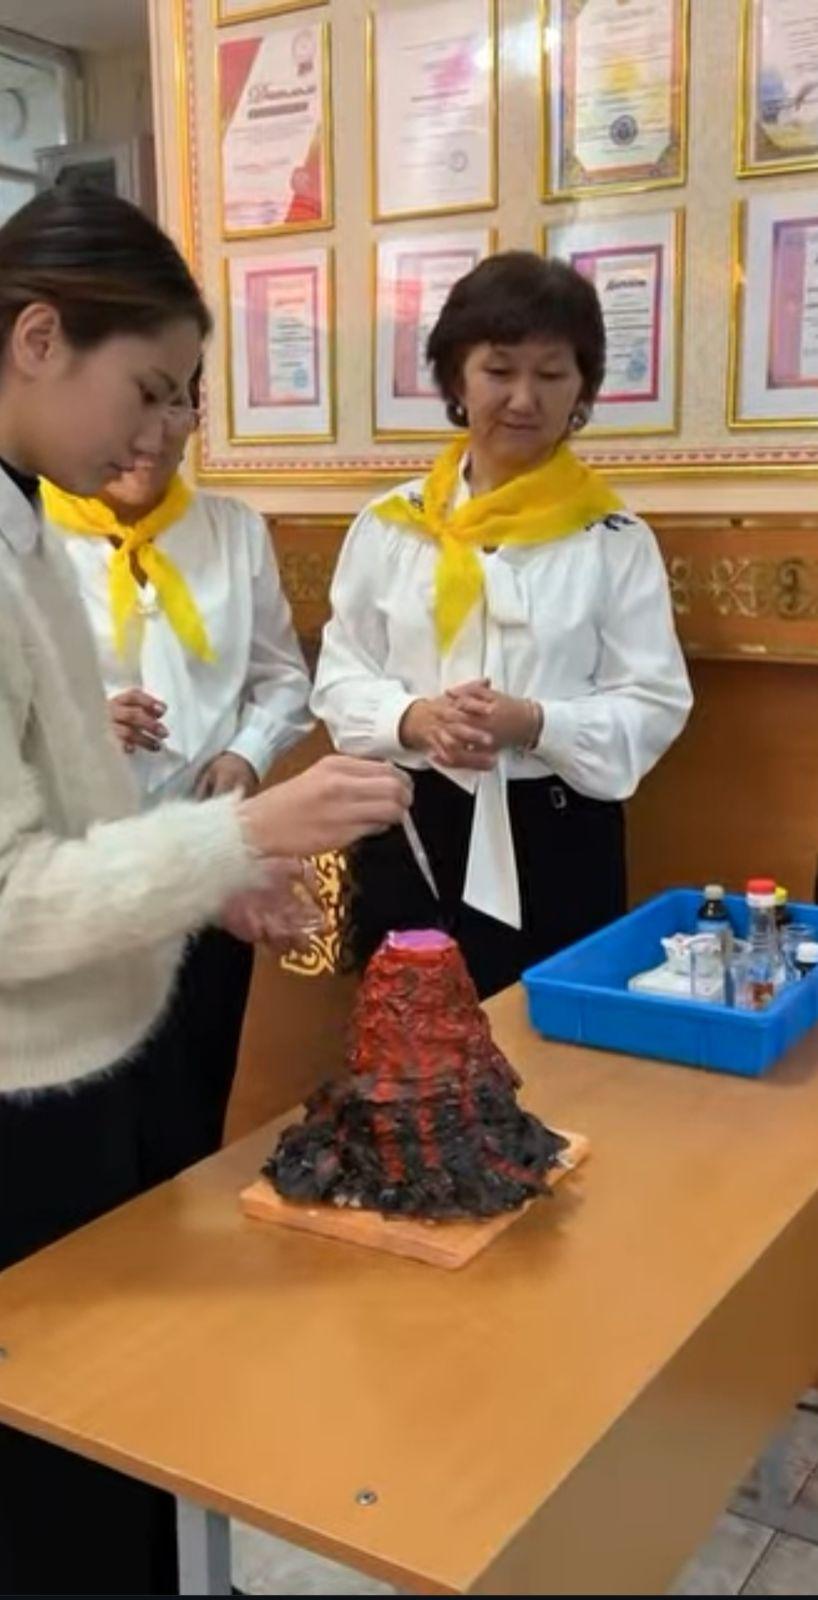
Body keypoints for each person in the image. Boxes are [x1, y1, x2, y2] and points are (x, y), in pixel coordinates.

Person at [0, 186, 410, 1596]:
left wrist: (210, 881)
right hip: (25, 1083)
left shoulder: (23, 520)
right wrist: (240, 836)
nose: (164, 429)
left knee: (115, 1404)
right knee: (57, 1444)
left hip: (82, 1049)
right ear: (38, 338)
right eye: (149, 388)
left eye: (185, 398)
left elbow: (65, 814)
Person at [313, 252, 692, 1000]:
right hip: (409, 823)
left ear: (582, 388)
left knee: (553, 1050)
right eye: (498, 370)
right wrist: (414, 718)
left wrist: (536, 722)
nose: (523, 398)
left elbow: (655, 702)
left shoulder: (612, 539)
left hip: (559, 832)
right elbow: (340, 675)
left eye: (551, 374)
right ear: (456, 378)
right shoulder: (392, 526)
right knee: (411, 1048)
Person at [43, 366, 314, 1169]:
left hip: (205, 875)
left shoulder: (232, 531)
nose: (152, 433)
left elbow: (282, 678)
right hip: (69, 876)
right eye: (129, 401)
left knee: (187, 1107)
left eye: (174, 403)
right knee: (75, 1130)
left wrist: (246, 754)